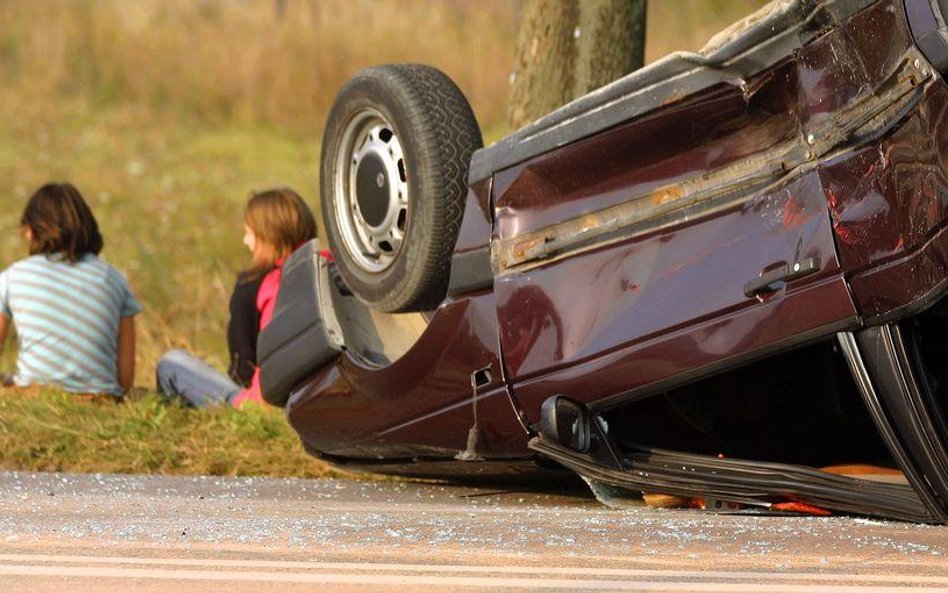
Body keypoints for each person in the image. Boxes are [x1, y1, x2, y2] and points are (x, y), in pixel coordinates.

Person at [156, 187, 316, 408]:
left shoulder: (254, 287)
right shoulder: (328, 270)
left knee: (171, 363)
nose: (245, 242)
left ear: (266, 237)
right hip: (319, 398)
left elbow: (242, 369)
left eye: (249, 233)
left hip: (263, 403)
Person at [0, 182, 141, 397]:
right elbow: (125, 379)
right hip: (101, 398)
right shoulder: (115, 279)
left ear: (31, 231)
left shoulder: (13, 277)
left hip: (35, 394)